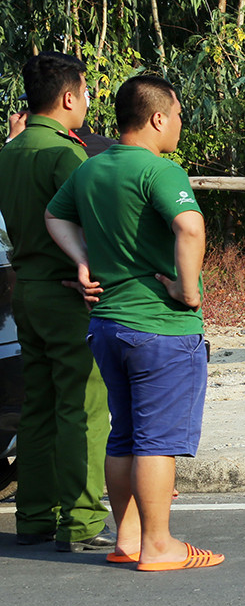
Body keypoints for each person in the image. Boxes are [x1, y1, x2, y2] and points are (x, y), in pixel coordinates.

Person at [45, 75, 223, 570]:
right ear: (158, 118)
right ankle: (159, 545)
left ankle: (127, 539)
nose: (181, 124)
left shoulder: (91, 168)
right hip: (160, 327)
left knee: (123, 435)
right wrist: (188, 291)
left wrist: (83, 260)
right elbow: (190, 226)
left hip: (107, 324)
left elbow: (54, 216)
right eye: (179, 115)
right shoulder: (161, 171)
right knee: (157, 441)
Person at [0, 52, 113, 552]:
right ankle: (81, 522)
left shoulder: (11, 151)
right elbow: (95, 226)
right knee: (83, 407)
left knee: (38, 406)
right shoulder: (65, 153)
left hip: (25, 290)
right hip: (69, 292)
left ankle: (33, 516)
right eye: (85, 92)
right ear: (68, 97)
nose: (87, 101)